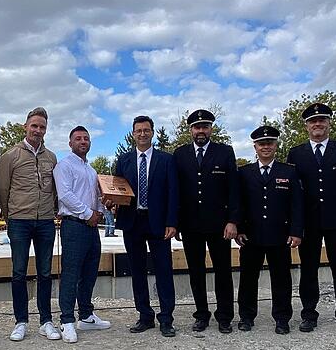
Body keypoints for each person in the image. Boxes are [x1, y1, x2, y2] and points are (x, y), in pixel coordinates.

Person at [286, 102, 336, 335]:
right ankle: (309, 314)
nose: (317, 124)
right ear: (307, 126)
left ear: (329, 123)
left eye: (321, 120)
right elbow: (294, 192)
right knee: (308, 270)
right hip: (309, 223)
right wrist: (295, 225)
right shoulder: (296, 153)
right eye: (312, 121)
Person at [0, 107, 60, 341]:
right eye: (34, 125)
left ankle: (46, 320)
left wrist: (50, 210)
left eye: (42, 127)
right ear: (26, 126)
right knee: (19, 272)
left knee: (45, 272)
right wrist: (10, 215)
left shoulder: (51, 158)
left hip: (44, 221)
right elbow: (3, 189)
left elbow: (54, 190)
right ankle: (21, 320)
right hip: (19, 221)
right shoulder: (10, 156)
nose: (38, 130)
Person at [111, 115, 179, 337]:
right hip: (133, 221)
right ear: (133, 133)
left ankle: (166, 318)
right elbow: (117, 189)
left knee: (164, 271)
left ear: (152, 132)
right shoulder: (123, 160)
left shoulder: (166, 160)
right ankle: (145, 316)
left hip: (159, 222)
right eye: (138, 130)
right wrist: (111, 200)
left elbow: (173, 194)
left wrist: (172, 222)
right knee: (137, 271)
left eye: (146, 130)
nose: (142, 134)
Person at [173, 109, 239, 333]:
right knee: (196, 271)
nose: (201, 131)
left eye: (205, 126)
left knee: (223, 270)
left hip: (219, 224)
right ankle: (201, 314)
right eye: (197, 127)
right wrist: (177, 222)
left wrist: (233, 221)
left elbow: (233, 190)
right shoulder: (180, 154)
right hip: (191, 224)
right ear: (190, 130)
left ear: (211, 129)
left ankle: (225, 316)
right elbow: (177, 191)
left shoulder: (225, 152)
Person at [236, 125, 303, 334]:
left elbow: (297, 204)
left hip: (279, 235)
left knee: (281, 278)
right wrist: (238, 228)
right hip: (251, 235)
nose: (266, 147)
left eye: (270, 143)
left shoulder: (289, 171)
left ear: (276, 145)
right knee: (248, 279)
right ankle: (246, 317)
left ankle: (282, 318)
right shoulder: (244, 172)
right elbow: (238, 203)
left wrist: (296, 231)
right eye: (261, 144)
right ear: (254, 146)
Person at [52, 126, 112, 343]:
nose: (83, 141)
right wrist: (88, 213)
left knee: (90, 272)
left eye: (86, 138)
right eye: (78, 138)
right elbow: (65, 195)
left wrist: (102, 208)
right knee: (71, 273)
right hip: (74, 225)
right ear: (70, 143)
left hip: (91, 227)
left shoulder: (92, 170)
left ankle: (85, 315)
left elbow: (96, 197)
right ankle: (66, 320)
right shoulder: (64, 166)